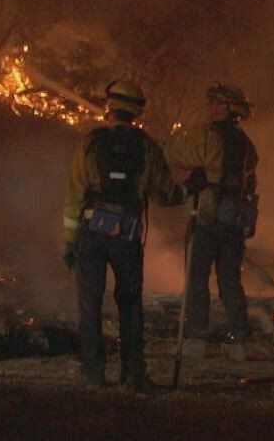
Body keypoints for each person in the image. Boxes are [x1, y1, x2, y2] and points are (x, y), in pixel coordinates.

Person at [61, 78, 182, 390]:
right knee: (130, 302)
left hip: (91, 231)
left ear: (110, 108)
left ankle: (93, 372)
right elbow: (165, 194)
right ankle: (133, 373)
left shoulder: (90, 144)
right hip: (127, 233)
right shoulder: (147, 147)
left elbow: (75, 194)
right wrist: (189, 190)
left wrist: (69, 241)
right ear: (136, 113)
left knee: (90, 303)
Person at [164, 83, 260, 360]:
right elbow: (251, 167)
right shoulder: (245, 143)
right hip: (234, 219)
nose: (211, 107)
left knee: (197, 278)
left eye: (217, 103)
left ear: (229, 108)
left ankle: (195, 340)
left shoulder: (205, 137)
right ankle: (240, 342)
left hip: (207, 217)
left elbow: (173, 153)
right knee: (230, 280)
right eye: (212, 102)